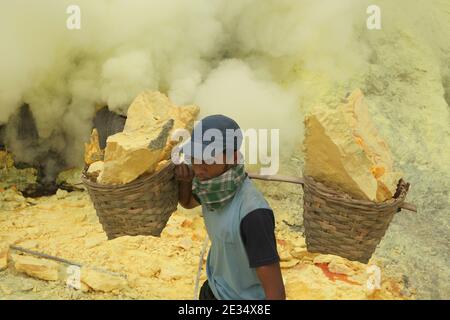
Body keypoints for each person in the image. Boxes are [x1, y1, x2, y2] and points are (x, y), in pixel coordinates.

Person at [174, 114, 286, 300]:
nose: (199, 167)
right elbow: (188, 203)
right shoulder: (211, 186)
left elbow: (276, 293)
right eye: (194, 157)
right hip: (215, 290)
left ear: (233, 157)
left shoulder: (253, 214)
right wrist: (185, 181)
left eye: (208, 159)